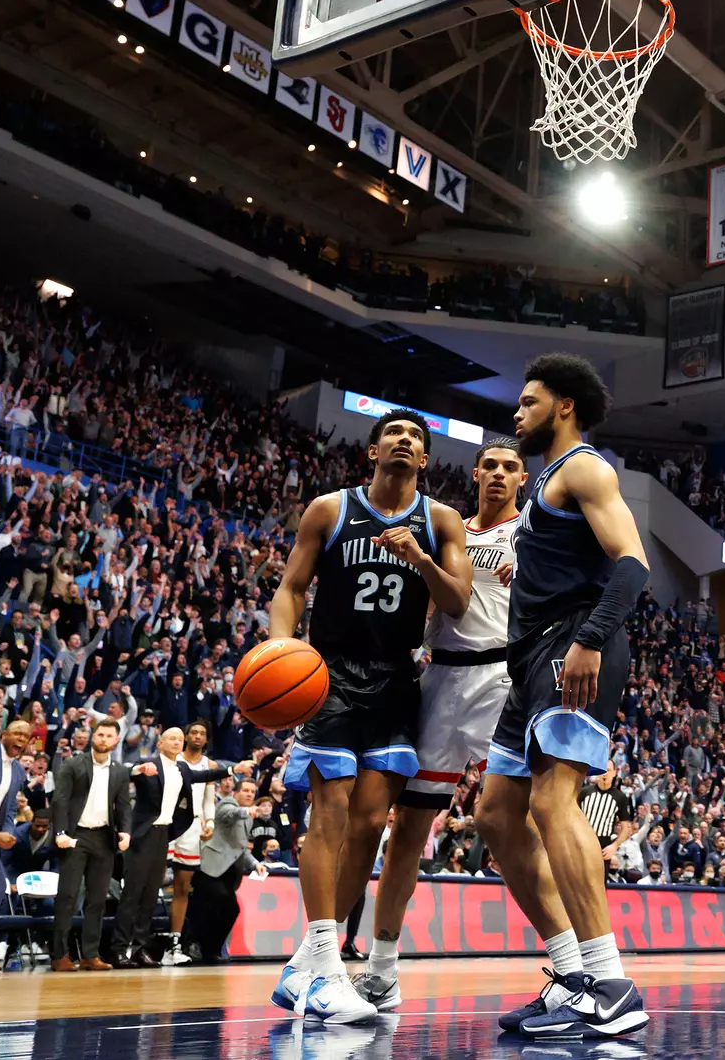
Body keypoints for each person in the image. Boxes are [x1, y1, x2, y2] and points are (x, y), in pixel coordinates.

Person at [268, 409, 473, 1023]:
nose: (404, 441)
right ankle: (327, 968)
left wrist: (421, 558)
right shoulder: (329, 510)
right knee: (329, 812)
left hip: (396, 682)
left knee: (368, 824)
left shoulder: (441, 520)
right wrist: (280, 649)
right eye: (394, 435)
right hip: (328, 674)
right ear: (373, 451)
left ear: (425, 460)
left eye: (415, 438)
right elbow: (291, 589)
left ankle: (306, 968)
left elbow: (458, 602)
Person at [483, 354, 649, 1038]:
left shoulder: (585, 467)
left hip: (572, 646)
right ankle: (572, 976)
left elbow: (632, 565)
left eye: (528, 402)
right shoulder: (544, 485)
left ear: (565, 406)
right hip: (530, 659)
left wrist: (590, 638)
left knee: (553, 800)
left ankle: (611, 983)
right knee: (496, 814)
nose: (517, 412)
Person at [354, 438, 526, 1012]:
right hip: (439, 678)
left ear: (522, 479)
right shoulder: (444, 529)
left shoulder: (531, 533)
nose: (498, 474)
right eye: (490, 466)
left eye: (509, 467)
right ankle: (381, 969)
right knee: (408, 827)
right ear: (475, 473)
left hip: (501, 679)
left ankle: (576, 961)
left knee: (520, 822)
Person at [114, 727, 250, 968]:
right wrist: (137, 770)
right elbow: (123, 772)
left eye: (179, 739)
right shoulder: (148, 763)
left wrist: (232, 769)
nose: (177, 742)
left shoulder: (183, 768)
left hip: (165, 834)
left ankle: (139, 949)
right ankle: (118, 948)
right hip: (143, 836)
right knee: (133, 894)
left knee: (150, 896)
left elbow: (205, 775)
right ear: (160, 743)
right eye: (172, 739)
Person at [50, 717, 131, 969]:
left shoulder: (120, 771)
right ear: (93, 736)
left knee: (97, 899)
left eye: (109, 736)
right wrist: (60, 832)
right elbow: (60, 801)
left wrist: (126, 832)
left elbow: (124, 805)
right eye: (100, 734)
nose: (104, 739)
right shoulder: (73, 764)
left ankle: (90, 955)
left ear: (116, 740)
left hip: (104, 838)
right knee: (68, 896)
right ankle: (59, 955)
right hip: (76, 836)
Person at [162, 720, 219, 966]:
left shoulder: (210, 765)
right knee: (152, 882)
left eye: (202, 733)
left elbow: (208, 799)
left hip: (192, 825)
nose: (197, 736)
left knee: (183, 887)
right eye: (193, 732)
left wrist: (210, 822)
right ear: (185, 737)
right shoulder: (172, 759)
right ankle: (136, 942)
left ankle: (173, 945)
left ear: (206, 740)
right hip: (167, 823)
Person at [187, 778, 262, 963]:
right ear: (235, 793)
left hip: (228, 872)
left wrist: (255, 864)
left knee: (231, 909)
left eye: (252, 792)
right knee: (210, 904)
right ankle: (189, 944)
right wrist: (245, 811)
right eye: (245, 790)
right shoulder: (227, 804)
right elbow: (229, 814)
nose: (249, 794)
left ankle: (211, 950)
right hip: (209, 868)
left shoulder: (248, 819)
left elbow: (241, 848)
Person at [0, 719, 31, 971]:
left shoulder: (18, 770)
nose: (21, 739)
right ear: (4, 734)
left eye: (26, 736)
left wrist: (8, 832)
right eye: (17, 733)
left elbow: (11, 808)